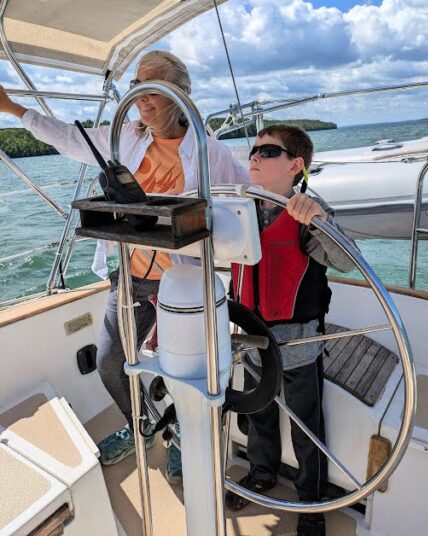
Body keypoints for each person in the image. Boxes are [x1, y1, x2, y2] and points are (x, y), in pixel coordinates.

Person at [0, 50, 248, 484]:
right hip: (127, 276)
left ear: (180, 94)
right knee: (110, 362)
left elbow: (239, 213)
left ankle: (179, 437)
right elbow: (66, 137)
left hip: (181, 284)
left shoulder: (212, 154)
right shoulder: (124, 139)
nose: (141, 97)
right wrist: (13, 109)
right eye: (136, 86)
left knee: (180, 367)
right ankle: (147, 424)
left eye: (153, 88)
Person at [223, 125, 358, 536]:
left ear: (295, 165)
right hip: (249, 336)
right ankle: (261, 474)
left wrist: (317, 221)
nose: (255, 158)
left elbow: (347, 261)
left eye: (267, 151)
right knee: (259, 412)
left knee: (305, 425)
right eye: (253, 151)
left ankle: (312, 503)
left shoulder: (308, 215)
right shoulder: (239, 208)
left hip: (299, 341)